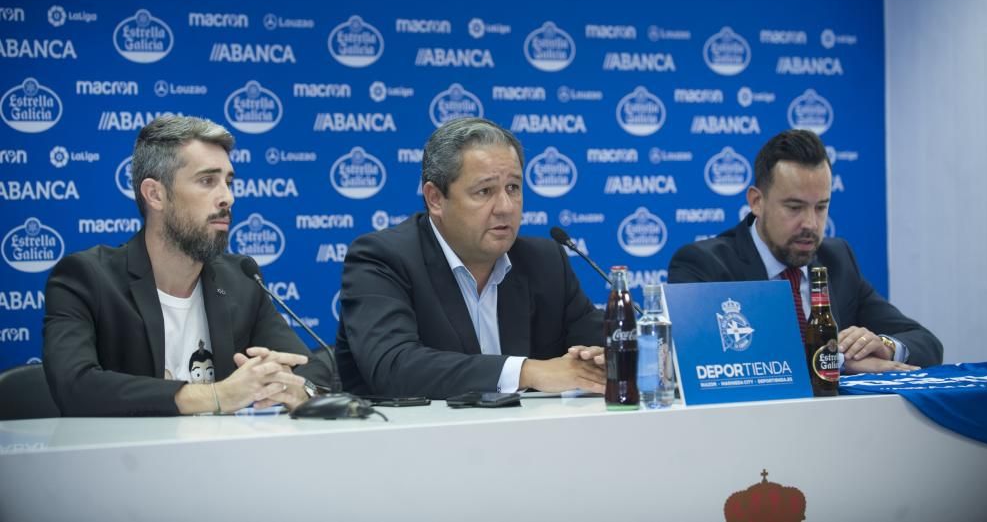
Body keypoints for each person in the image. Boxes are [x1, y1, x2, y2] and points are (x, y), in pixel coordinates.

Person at [43, 115, 334, 416]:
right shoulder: (87, 279)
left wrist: (295, 387)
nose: (227, 197)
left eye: (228, 182)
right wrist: (217, 396)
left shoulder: (241, 280)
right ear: (156, 194)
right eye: (208, 181)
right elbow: (74, 387)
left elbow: (310, 368)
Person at [335, 117, 606, 398]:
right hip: (414, 439)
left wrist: (603, 358)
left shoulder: (544, 261)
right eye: (484, 191)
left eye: (513, 188)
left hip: (529, 439)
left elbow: (596, 341)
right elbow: (394, 366)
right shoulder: (383, 259)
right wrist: (529, 371)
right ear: (435, 199)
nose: (505, 207)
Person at [668, 129, 943, 372]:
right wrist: (838, 362)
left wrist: (882, 346)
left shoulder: (837, 260)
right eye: (794, 207)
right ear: (756, 201)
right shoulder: (704, 265)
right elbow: (706, 365)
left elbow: (926, 342)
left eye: (821, 206)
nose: (811, 223)